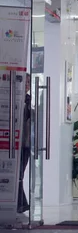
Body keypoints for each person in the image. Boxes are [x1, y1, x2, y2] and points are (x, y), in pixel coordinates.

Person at [17, 74, 31, 214]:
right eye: (25, 82)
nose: (27, 85)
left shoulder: (28, 100)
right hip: (16, 142)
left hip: (26, 143)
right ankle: (21, 204)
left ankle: (21, 204)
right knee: (18, 175)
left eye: (28, 82)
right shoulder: (16, 99)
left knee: (20, 174)